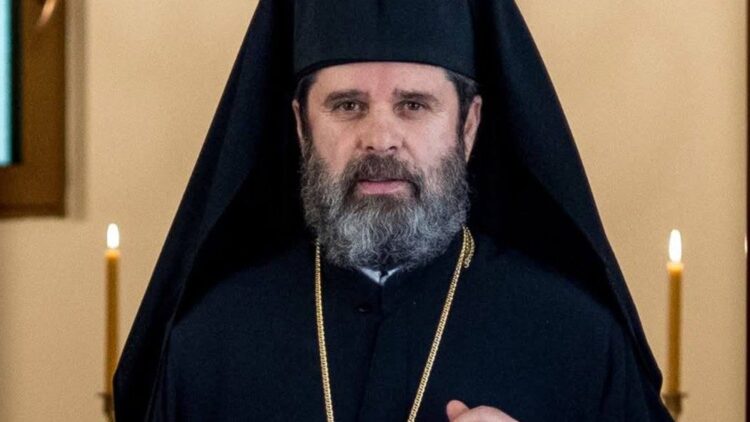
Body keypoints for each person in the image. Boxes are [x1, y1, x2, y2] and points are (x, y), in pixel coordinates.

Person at [114, 1, 673, 421]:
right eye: (347, 105)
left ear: (469, 125)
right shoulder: (210, 345)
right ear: (301, 127)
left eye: (413, 105)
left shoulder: (576, 340)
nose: (380, 138)